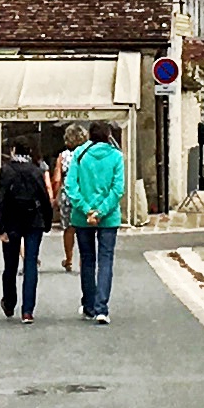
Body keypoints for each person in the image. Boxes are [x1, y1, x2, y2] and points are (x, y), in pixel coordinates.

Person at [65, 118, 127, 324]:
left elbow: (71, 185)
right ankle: (102, 308)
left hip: (82, 217)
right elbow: (117, 189)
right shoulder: (116, 156)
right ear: (108, 136)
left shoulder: (80, 154)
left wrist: (86, 209)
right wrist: (101, 211)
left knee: (87, 259)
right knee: (106, 259)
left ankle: (89, 305)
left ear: (90, 135)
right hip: (109, 217)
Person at [0, 135, 53, 323]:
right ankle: (27, 310)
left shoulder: (6, 170)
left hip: (12, 221)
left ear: (13, 150)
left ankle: (9, 302)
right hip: (34, 220)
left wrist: (1, 227)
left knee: (10, 264)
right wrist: (48, 221)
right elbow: (44, 197)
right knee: (30, 263)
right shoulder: (35, 171)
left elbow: (1, 199)